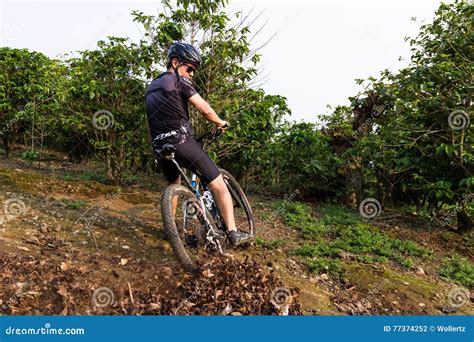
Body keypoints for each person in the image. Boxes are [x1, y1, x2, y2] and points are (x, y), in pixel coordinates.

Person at [145, 42, 253, 246]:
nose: (191, 74)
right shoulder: (179, 81)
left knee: (174, 185)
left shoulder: (151, 87)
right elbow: (204, 108)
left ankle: (172, 230)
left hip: (160, 147)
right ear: (175, 62)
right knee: (219, 183)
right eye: (190, 68)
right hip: (182, 141)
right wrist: (220, 122)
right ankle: (233, 232)